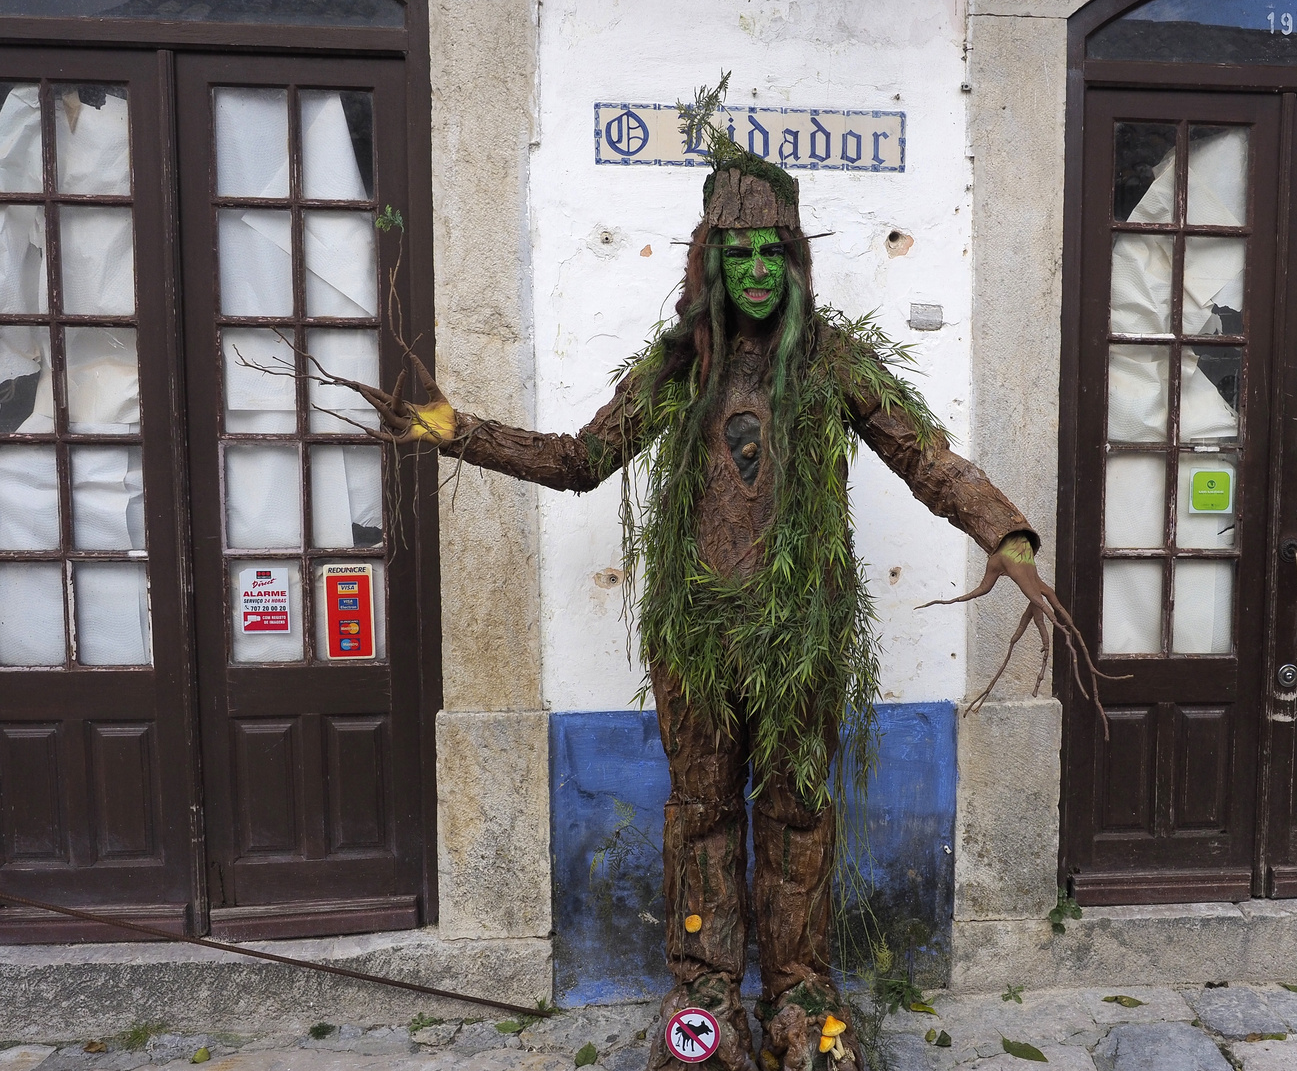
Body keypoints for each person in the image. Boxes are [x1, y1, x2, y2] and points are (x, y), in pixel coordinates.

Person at [354, 132, 1093, 1071]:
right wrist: (457, 431)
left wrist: (1008, 534)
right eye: (735, 252)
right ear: (709, 262)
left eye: (770, 252)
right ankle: (704, 997)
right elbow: (581, 461)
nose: (754, 269)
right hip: (696, 640)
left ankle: (800, 997)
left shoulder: (831, 362)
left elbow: (925, 457)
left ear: (795, 262)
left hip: (803, 640)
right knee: (699, 811)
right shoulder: (679, 369)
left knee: (798, 813)